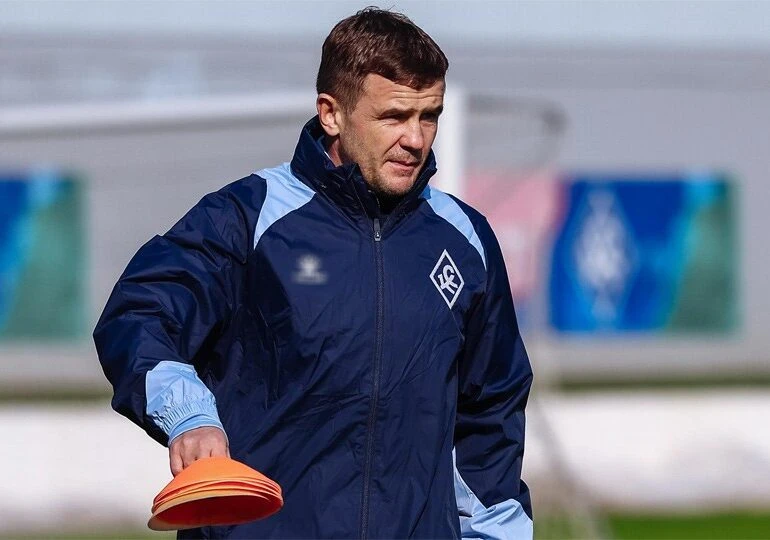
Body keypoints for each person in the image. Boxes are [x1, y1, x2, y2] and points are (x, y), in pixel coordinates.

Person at [95, 7, 533, 539]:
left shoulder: (466, 239)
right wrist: (190, 416)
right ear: (331, 114)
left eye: (429, 116)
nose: (417, 139)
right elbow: (140, 314)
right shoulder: (246, 218)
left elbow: (491, 413)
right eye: (394, 117)